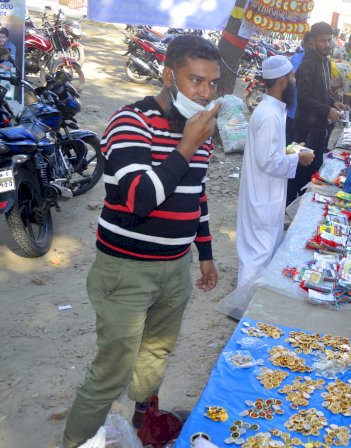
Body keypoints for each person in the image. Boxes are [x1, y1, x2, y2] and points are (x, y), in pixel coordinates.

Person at [62, 35, 221, 448]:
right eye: (196, 81)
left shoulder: (198, 127)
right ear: (169, 76)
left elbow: (196, 193)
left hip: (175, 269)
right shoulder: (132, 122)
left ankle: (141, 427)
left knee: (154, 357)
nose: (205, 93)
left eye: (212, 84)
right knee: (110, 372)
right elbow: (137, 200)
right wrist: (186, 145)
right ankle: (75, 442)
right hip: (126, 269)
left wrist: (204, 253)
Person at [236, 56, 315, 288]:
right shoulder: (269, 115)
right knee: (257, 253)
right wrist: (298, 158)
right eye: (292, 78)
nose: (294, 82)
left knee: (264, 247)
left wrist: (290, 151)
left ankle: (250, 301)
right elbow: (268, 161)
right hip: (262, 193)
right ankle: (244, 306)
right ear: (282, 81)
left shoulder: (273, 110)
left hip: (266, 191)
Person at [288, 22, 347, 205]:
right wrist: (328, 110)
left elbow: (321, 93)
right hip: (304, 129)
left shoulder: (325, 62)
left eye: (329, 40)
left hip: (319, 128)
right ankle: (287, 211)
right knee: (298, 173)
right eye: (323, 41)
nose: (327, 44)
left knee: (313, 171)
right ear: (313, 41)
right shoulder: (307, 64)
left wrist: (333, 102)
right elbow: (304, 98)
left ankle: (298, 209)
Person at [286, 33, 311, 145]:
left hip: (308, 115)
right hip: (294, 111)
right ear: (305, 45)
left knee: (302, 146)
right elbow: (294, 81)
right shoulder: (297, 59)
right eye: (309, 44)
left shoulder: (321, 62)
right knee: (290, 145)